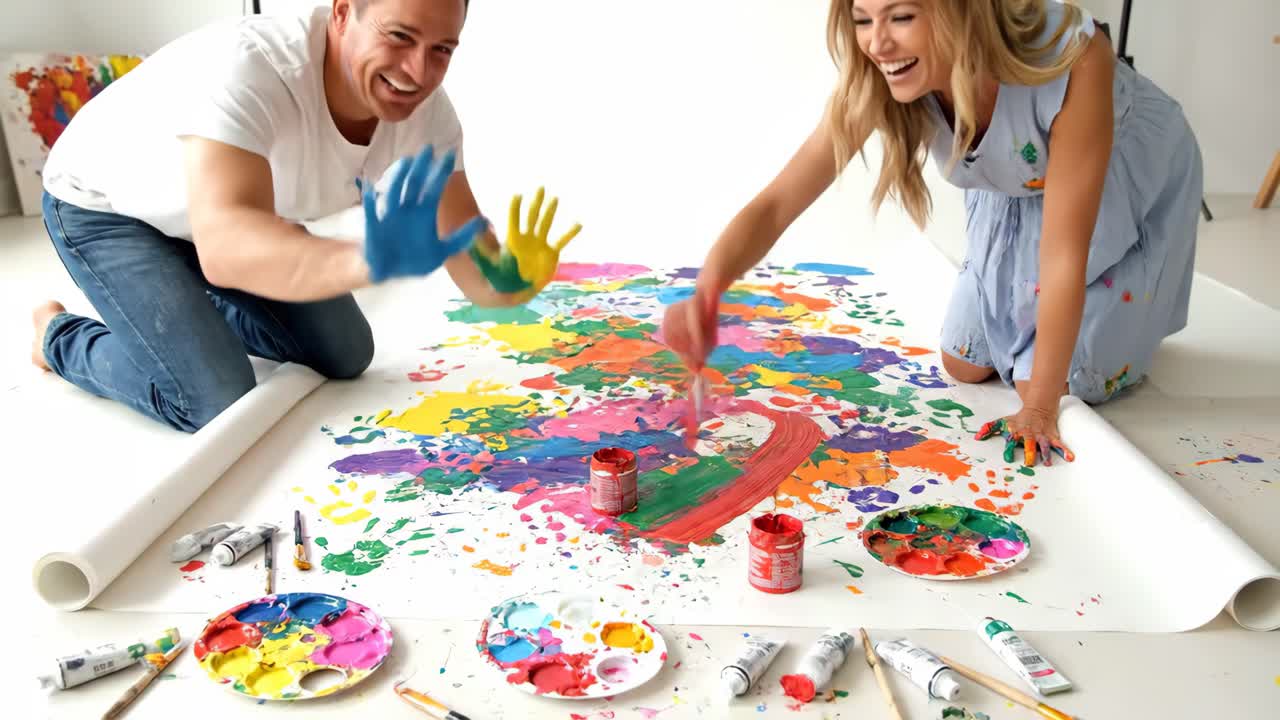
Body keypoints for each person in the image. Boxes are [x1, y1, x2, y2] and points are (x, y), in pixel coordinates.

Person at [662, 0, 1202, 467]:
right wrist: (707, 292)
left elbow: (1064, 254)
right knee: (964, 363)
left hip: (1113, 164)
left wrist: (1039, 409)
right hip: (1016, 172)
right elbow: (778, 204)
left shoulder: (1073, 59)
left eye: (900, 16)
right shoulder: (880, 76)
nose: (877, 42)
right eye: (862, 19)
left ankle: (1130, 317)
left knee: (1045, 382)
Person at [30, 0, 578, 432]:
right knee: (213, 399)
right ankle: (57, 338)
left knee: (346, 353)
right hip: (106, 207)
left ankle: (184, 309)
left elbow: (474, 264)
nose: (417, 71)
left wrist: (510, 280)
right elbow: (225, 250)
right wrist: (372, 257)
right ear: (342, 13)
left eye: (441, 49)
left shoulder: (426, 119)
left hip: (221, 220)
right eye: (399, 36)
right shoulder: (251, 68)